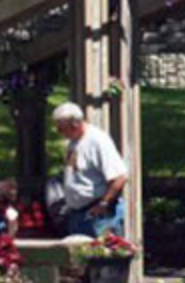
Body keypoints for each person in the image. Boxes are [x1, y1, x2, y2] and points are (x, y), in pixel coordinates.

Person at [47, 101, 129, 238]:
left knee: (101, 252)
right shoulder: (73, 142)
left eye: (62, 128)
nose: (59, 132)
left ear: (75, 124)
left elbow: (120, 177)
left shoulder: (97, 141)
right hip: (77, 214)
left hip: (99, 217)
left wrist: (103, 204)